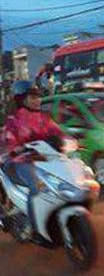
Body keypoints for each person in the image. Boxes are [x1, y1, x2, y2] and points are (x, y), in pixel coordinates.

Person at [3, 80, 65, 239]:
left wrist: (67, 140)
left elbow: (58, 133)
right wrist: (18, 149)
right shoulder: (13, 121)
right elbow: (10, 143)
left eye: (38, 96)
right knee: (38, 187)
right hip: (23, 162)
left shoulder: (43, 118)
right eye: (33, 97)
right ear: (22, 100)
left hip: (46, 160)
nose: (38, 100)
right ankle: (34, 226)